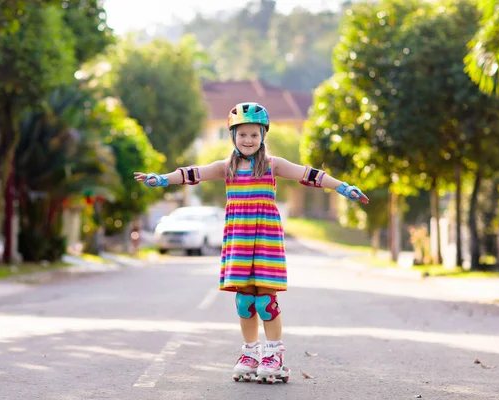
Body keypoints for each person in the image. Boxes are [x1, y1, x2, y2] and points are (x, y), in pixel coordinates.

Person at [134, 102, 369, 384]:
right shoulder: (226, 168)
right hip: (239, 238)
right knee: (245, 301)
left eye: (254, 135)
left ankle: (274, 355)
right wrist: (160, 179)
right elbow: (193, 173)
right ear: (233, 136)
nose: (248, 140)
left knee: (266, 300)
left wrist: (343, 187)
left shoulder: (273, 165)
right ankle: (250, 353)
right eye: (242, 134)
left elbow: (309, 175)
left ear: (263, 137)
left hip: (267, 238)